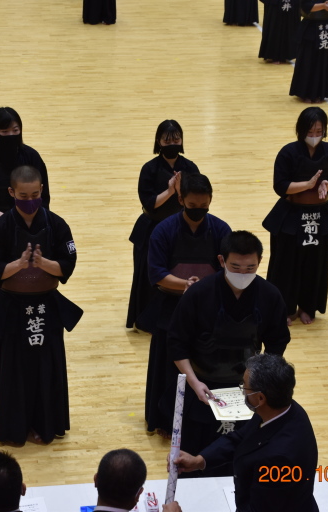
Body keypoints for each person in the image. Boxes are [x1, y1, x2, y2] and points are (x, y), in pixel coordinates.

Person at [166, 231, 290, 471]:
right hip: (202, 384)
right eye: (235, 267)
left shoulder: (270, 295)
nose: (243, 274)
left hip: (247, 387)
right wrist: (194, 382)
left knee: (243, 456)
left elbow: (277, 342)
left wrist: (260, 382)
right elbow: (176, 341)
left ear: (260, 261)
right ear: (222, 260)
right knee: (196, 452)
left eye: (250, 267)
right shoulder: (199, 293)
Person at [0, 165, 81, 445]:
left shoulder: (57, 225)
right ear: (11, 192)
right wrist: (18, 264)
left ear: (42, 191)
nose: (30, 201)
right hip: (12, 308)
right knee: (13, 371)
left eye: (35, 195)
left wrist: (42, 263)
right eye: (23, 196)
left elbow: (67, 264)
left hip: (46, 307)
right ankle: (14, 427)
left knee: (45, 369)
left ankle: (45, 424)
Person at [141, 174, 231, 437]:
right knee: (167, 366)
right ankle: (164, 420)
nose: (198, 210)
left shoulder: (221, 230)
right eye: (192, 206)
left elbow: (227, 269)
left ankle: (203, 420)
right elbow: (157, 273)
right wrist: (186, 285)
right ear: (181, 200)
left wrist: (203, 289)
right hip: (171, 305)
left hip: (208, 309)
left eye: (204, 206)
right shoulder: (164, 230)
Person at [173, 354, 319, 511]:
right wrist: (200, 460)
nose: (242, 390)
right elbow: (240, 438)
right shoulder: (280, 408)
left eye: (244, 386)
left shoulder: (278, 459)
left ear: (260, 398)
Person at [0, 107, 50, 341]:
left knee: (26, 283)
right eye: (5, 131)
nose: (11, 135)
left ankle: (26, 328)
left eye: (15, 130)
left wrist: (26, 219)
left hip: (28, 230)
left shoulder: (31, 157)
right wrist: (7, 219)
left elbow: (44, 197)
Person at [262, 107, 328, 326]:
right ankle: (284, 308)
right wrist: (307, 185)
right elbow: (280, 185)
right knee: (285, 264)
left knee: (314, 264)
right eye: (310, 131)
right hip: (291, 215)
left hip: (319, 216)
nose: (314, 135)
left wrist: (326, 184)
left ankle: (307, 307)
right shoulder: (288, 152)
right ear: (301, 130)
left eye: (319, 131)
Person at [127, 120, 200, 330]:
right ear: (158, 142)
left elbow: (196, 198)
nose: (172, 144)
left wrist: (181, 191)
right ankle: (146, 320)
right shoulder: (149, 169)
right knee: (148, 275)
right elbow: (149, 204)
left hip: (180, 229)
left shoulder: (189, 167)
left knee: (177, 272)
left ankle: (179, 319)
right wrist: (170, 190)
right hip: (152, 227)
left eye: (176, 139)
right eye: (167, 140)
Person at [289, 0, 328, 102]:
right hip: (311, 27)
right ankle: (305, 92)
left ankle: (320, 93)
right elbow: (305, 5)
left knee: (325, 61)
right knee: (308, 61)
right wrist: (323, 6)